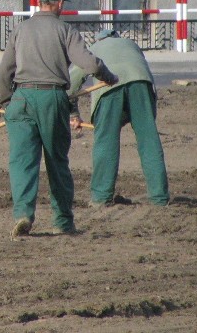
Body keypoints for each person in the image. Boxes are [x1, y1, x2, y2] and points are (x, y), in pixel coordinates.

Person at [0, 0, 118, 239]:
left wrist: (8, 103)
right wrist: (108, 76)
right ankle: (62, 221)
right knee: (57, 163)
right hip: (52, 98)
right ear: (60, 4)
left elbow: (5, 69)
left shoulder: (20, 29)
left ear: (40, 2)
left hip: (21, 98)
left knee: (21, 163)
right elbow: (89, 63)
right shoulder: (65, 30)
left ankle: (22, 215)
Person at [68, 29, 169, 207]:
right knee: (149, 141)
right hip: (142, 85)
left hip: (110, 88)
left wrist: (73, 114)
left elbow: (70, 85)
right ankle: (159, 197)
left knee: (106, 141)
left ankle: (101, 197)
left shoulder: (93, 48)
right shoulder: (131, 45)